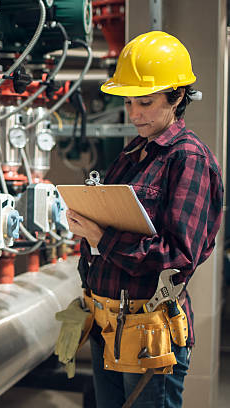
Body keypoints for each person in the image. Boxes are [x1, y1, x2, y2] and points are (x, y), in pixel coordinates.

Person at [64, 31, 224, 407]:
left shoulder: (189, 161)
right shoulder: (135, 152)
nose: (134, 113)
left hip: (150, 338)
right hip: (110, 327)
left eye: (146, 102)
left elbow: (179, 256)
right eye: (130, 101)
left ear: (178, 96)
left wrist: (103, 240)